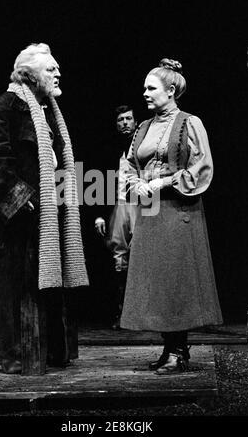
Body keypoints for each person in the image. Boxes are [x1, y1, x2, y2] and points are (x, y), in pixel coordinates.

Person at [0, 43, 89, 374]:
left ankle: (52, 350)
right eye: (50, 68)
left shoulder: (48, 109)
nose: (57, 73)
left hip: (49, 215)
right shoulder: (5, 106)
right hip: (16, 222)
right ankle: (15, 355)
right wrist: (26, 201)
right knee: (15, 288)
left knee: (48, 287)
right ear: (29, 74)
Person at [120, 58, 223, 374]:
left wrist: (164, 182)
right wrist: (135, 182)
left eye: (151, 88)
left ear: (171, 90)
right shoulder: (143, 127)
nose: (145, 94)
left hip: (179, 211)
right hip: (150, 212)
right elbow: (128, 165)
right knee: (158, 283)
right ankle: (170, 348)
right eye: (144, 88)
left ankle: (179, 350)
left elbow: (201, 168)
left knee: (176, 281)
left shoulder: (190, 123)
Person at [95, 105, 138, 329]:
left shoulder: (145, 145)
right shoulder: (109, 149)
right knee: (118, 258)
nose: (124, 123)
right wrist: (99, 215)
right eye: (120, 119)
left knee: (142, 255)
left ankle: (142, 314)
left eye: (128, 119)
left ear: (135, 121)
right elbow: (98, 180)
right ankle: (120, 313)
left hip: (144, 205)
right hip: (119, 205)